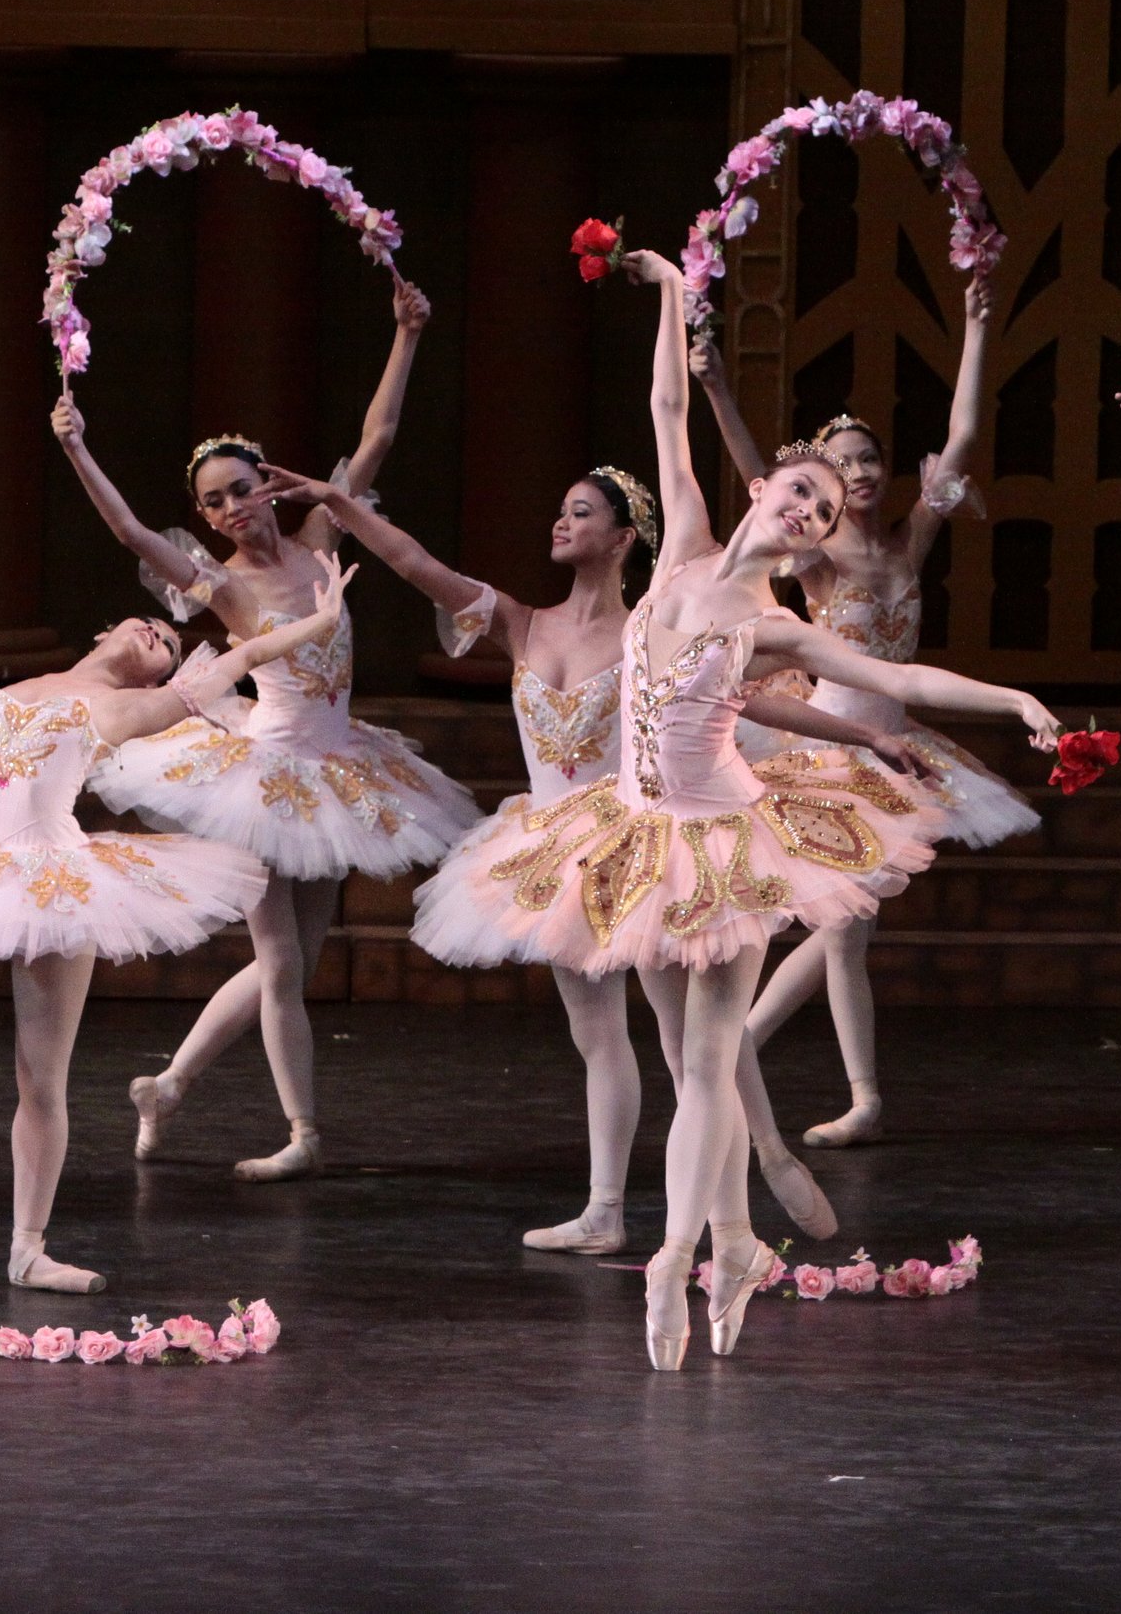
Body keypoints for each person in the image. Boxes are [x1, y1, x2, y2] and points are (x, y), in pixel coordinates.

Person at [415, 251, 1058, 1368]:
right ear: (759, 490)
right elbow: (667, 404)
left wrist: (1014, 697)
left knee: (707, 1058)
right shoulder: (681, 550)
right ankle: (734, 1234)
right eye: (795, 488)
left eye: (821, 505)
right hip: (628, 825)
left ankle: (676, 1257)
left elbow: (903, 680)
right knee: (679, 1050)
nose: (807, 507)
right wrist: (672, 288)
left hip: (725, 838)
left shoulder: (773, 620)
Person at [291, 456, 936, 1251]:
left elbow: (742, 693)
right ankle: (605, 1209)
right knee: (597, 1034)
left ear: (625, 536)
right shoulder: (521, 622)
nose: (561, 522)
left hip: (651, 845)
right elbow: (418, 564)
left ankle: (759, 1169)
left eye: (581, 511)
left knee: (692, 1043)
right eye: (560, 509)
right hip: (562, 854)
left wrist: (865, 730)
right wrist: (338, 504)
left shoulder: (652, 621)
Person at [0, 581, 354, 1301]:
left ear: (161, 677)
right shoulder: (14, 691)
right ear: (100, 632)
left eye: (169, 644)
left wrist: (321, 621)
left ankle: (28, 1248)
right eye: (145, 622)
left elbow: (242, 655)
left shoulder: (130, 707)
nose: (156, 633)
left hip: (55, 887)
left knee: (40, 1078)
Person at [52, 279, 477, 1182]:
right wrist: (78, 447)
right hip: (264, 775)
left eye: (242, 489)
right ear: (204, 517)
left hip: (339, 767)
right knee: (281, 962)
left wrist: (405, 335)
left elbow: (378, 440)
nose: (233, 508)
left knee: (298, 961)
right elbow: (129, 529)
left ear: (267, 483)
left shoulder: (325, 534)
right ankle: (302, 1132)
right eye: (214, 502)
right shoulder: (226, 586)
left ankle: (166, 1086)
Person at [687, 274, 1036, 1149]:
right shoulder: (815, 556)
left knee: (847, 927)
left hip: (897, 743)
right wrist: (718, 387)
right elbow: (750, 473)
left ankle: (767, 1057)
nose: (861, 474)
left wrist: (977, 324)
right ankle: (832, 1082)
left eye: (870, 461)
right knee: (842, 928)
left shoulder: (910, 539)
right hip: (832, 744)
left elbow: (961, 436)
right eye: (841, 465)